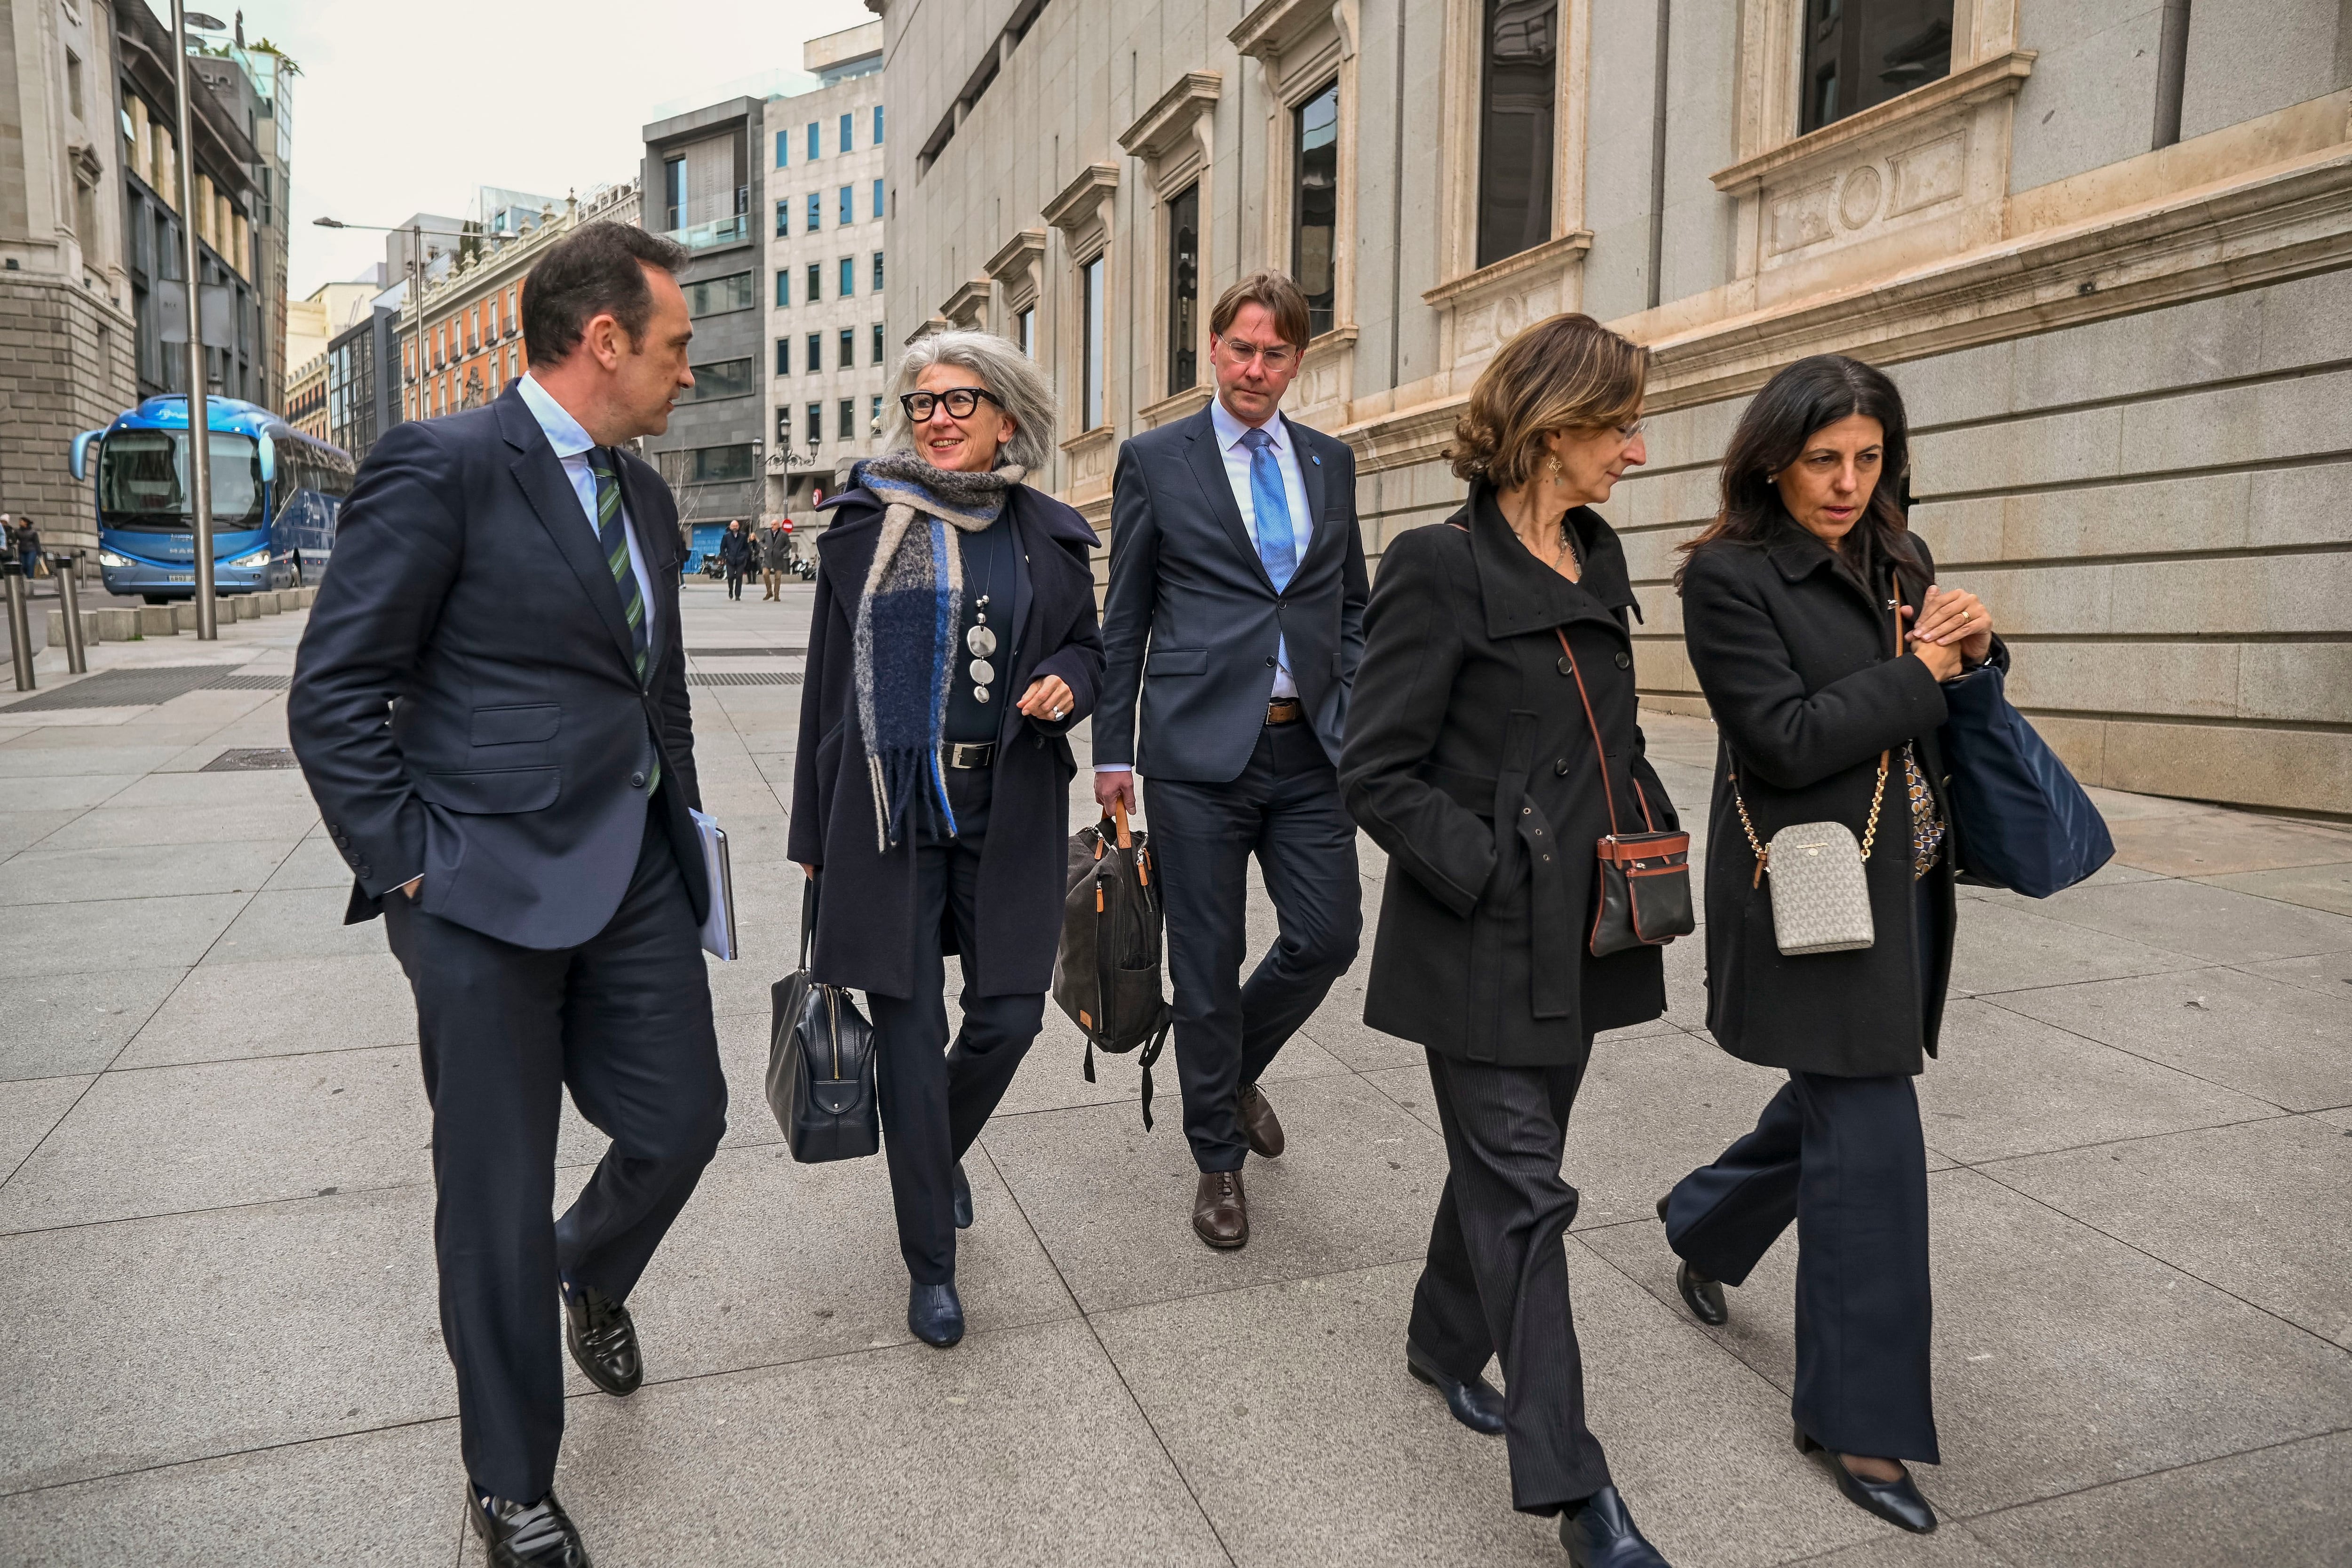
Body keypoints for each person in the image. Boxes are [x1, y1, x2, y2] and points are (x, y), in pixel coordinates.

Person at [288, 221, 726, 1568]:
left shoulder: (645, 496)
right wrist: (413, 860)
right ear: (605, 341)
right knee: (491, 1183)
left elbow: (653, 687)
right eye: (674, 347)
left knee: (685, 1120)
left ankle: (587, 1266)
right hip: (480, 888)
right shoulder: (445, 465)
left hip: (634, 869)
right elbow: (334, 692)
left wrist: (687, 838)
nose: (687, 375)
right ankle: (510, 1478)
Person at [1340, 313, 1678, 1568]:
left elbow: (1611, 737)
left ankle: (1440, 1339)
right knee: (1530, 1200)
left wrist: (1648, 823)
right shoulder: (1437, 565)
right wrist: (1488, 863)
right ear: (1548, 428)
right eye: (1619, 425)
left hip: (1588, 935)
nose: (1636, 451)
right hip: (1477, 937)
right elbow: (1373, 769)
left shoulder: (1597, 554)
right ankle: (1576, 1486)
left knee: (1502, 1175)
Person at [1656, 354, 2000, 1538]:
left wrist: (1973, 646)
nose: (1848, 483)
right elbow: (1785, 739)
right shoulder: (1726, 579)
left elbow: (1944, 699)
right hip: (1804, 890)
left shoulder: (1898, 554)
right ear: (1771, 458)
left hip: (1896, 875)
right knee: (1872, 1135)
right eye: (1823, 461)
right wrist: (1919, 671)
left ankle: (1702, 1219)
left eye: (1867, 459)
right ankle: (1859, 1418)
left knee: (1837, 1100)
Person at [788, 328, 1102, 1350]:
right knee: (910, 1035)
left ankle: (931, 1148)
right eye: (922, 403)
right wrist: (811, 834)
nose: (938, 419)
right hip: (889, 814)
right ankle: (931, 1260)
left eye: (960, 402)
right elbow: (825, 693)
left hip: (1005, 803)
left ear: (1008, 416)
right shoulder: (867, 522)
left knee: (1011, 1016)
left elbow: (1087, 649)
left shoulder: (1046, 534)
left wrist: (1072, 681)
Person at [1092, 270, 1367, 1250]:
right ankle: (1216, 1155)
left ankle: (1231, 1061)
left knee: (1328, 935)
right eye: (1241, 349)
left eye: (1276, 352)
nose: (1256, 368)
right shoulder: (1156, 461)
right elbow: (1122, 619)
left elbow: (1348, 605)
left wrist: (1358, 705)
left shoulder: (1330, 464)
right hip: (1195, 754)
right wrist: (1110, 753)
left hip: (1309, 750)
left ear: (1300, 360)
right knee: (1204, 966)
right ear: (1212, 350)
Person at [719, 517, 751, 599]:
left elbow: (747, 548)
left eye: (736, 526)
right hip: (730, 559)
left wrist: (745, 556)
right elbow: (722, 548)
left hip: (740, 559)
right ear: (730, 527)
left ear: (739, 527)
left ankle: (737, 595)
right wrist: (725, 556)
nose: (735, 527)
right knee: (731, 576)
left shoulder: (743, 536)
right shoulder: (726, 536)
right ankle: (731, 590)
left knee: (739, 577)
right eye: (733, 526)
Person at [761, 521, 790, 600]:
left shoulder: (784, 535)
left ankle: (777, 595)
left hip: (779, 558)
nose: (773, 526)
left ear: (778, 526)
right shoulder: (767, 533)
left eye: (774, 525)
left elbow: (788, 545)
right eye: (772, 524)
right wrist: (764, 547)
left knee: (778, 577)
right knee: (765, 574)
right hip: (768, 558)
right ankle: (769, 592)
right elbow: (761, 542)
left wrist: (782, 552)